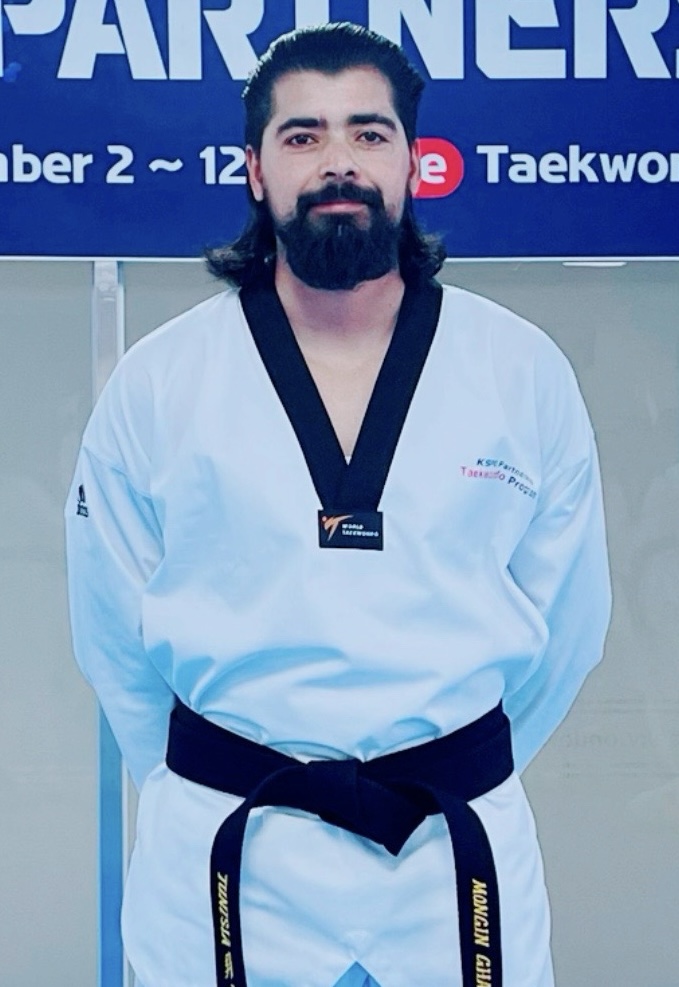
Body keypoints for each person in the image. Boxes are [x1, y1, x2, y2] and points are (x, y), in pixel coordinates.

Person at [65, 22, 611, 987]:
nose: (337, 162)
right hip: (230, 834)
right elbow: (112, 631)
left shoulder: (519, 369)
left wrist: (447, 757)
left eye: (367, 132)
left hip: (448, 839)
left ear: (412, 160)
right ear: (254, 169)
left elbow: (567, 624)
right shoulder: (161, 380)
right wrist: (200, 776)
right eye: (302, 135)